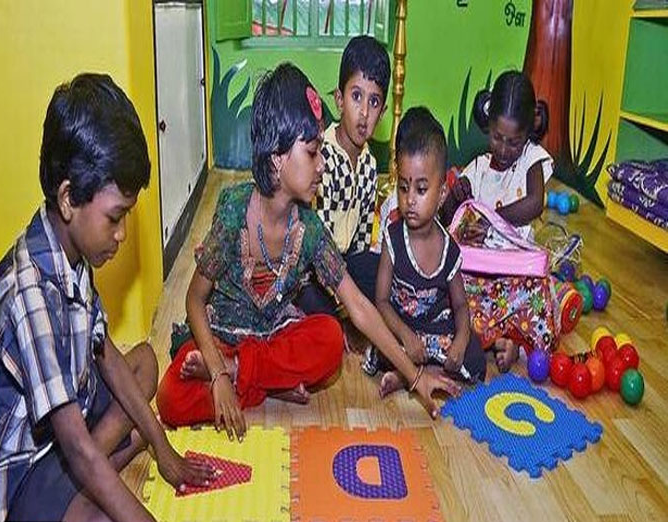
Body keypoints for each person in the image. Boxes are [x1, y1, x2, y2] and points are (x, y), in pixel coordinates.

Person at [156, 64, 461, 440]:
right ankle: (262, 381)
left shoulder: (310, 230)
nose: (322, 165)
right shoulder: (235, 211)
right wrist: (217, 371)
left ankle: (246, 375)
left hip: (272, 339)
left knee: (330, 341)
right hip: (222, 336)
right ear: (277, 157)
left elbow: (360, 308)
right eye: (314, 153)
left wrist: (416, 377)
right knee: (170, 397)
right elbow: (194, 300)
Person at [0, 74, 212, 522]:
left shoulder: (72, 249)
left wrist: (163, 450)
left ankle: (89, 482)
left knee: (144, 363)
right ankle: (86, 488)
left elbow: (107, 357)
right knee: (102, 508)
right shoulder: (29, 291)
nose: (121, 235)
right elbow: (78, 447)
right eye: (115, 218)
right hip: (20, 468)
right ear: (68, 199)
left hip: (65, 430)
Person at [366, 107, 486, 395]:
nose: (409, 200)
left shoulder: (449, 249)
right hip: (402, 327)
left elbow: (459, 305)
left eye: (421, 189)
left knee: (474, 358)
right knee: (380, 346)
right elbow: (381, 301)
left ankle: (415, 374)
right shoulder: (393, 238)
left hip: (435, 329)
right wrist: (405, 335)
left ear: (442, 193)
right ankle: (407, 369)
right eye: (404, 188)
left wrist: (460, 338)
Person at [443, 70, 557, 371]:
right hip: (480, 280)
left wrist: (492, 218)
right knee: (452, 294)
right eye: (497, 137)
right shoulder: (478, 167)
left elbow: (535, 202)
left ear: (528, 133)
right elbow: (447, 219)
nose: (504, 149)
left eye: (513, 142)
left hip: (516, 280)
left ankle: (509, 339)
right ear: (488, 126)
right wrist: (456, 196)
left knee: (539, 297)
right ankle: (498, 337)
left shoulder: (531, 159)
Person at [296, 36, 390, 346]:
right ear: (339, 99)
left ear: (383, 110)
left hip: (346, 266)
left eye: (374, 102)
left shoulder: (369, 166)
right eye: (356, 96)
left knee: (385, 273)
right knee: (313, 306)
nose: (364, 113)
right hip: (313, 273)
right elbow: (313, 248)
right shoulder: (321, 158)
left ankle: (348, 318)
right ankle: (338, 323)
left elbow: (362, 242)